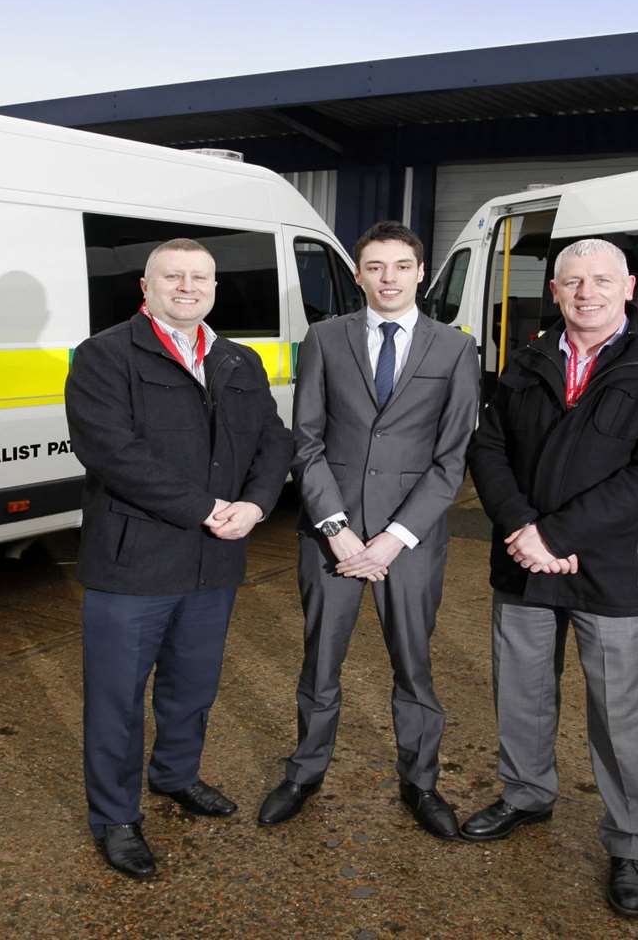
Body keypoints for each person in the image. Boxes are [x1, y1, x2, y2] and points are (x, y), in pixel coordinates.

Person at [463, 237, 638, 918]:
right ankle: (524, 794)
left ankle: (631, 843)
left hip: (607, 566)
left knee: (620, 714)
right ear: (555, 292)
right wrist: (521, 527)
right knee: (522, 690)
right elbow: (489, 447)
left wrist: (557, 535)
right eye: (573, 281)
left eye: (601, 280)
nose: (587, 292)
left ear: (629, 287)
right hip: (523, 557)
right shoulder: (527, 359)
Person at [64, 237, 293, 880]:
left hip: (213, 561)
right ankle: (114, 816)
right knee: (116, 698)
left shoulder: (238, 360)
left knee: (192, 686)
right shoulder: (105, 355)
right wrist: (205, 508)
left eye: (200, 277)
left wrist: (255, 504)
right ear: (147, 285)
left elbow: (273, 440)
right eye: (173, 276)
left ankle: (176, 776)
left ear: (215, 289)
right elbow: (111, 453)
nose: (187, 286)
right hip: (133, 561)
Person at [257, 222, 480, 839]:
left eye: (401, 266)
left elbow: (451, 458)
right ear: (357, 274)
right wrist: (337, 529)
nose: (389, 278)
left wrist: (393, 537)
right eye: (376, 267)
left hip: (408, 543)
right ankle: (304, 773)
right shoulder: (325, 339)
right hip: (332, 538)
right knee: (320, 660)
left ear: (420, 273)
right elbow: (307, 442)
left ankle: (420, 781)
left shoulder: (455, 349)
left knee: (414, 665)